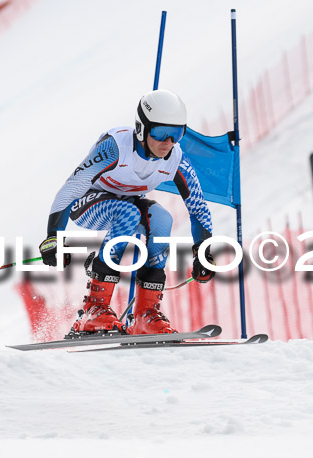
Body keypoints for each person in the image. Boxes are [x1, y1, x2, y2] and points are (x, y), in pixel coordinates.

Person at [39, 89, 215, 335]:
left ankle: (145, 314)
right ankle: (93, 309)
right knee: (129, 213)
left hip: (127, 205)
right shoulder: (115, 148)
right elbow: (71, 189)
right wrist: (53, 237)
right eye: (161, 133)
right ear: (142, 129)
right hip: (88, 204)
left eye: (177, 134)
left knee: (162, 219)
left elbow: (197, 206)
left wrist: (203, 252)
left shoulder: (175, 158)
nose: (168, 142)